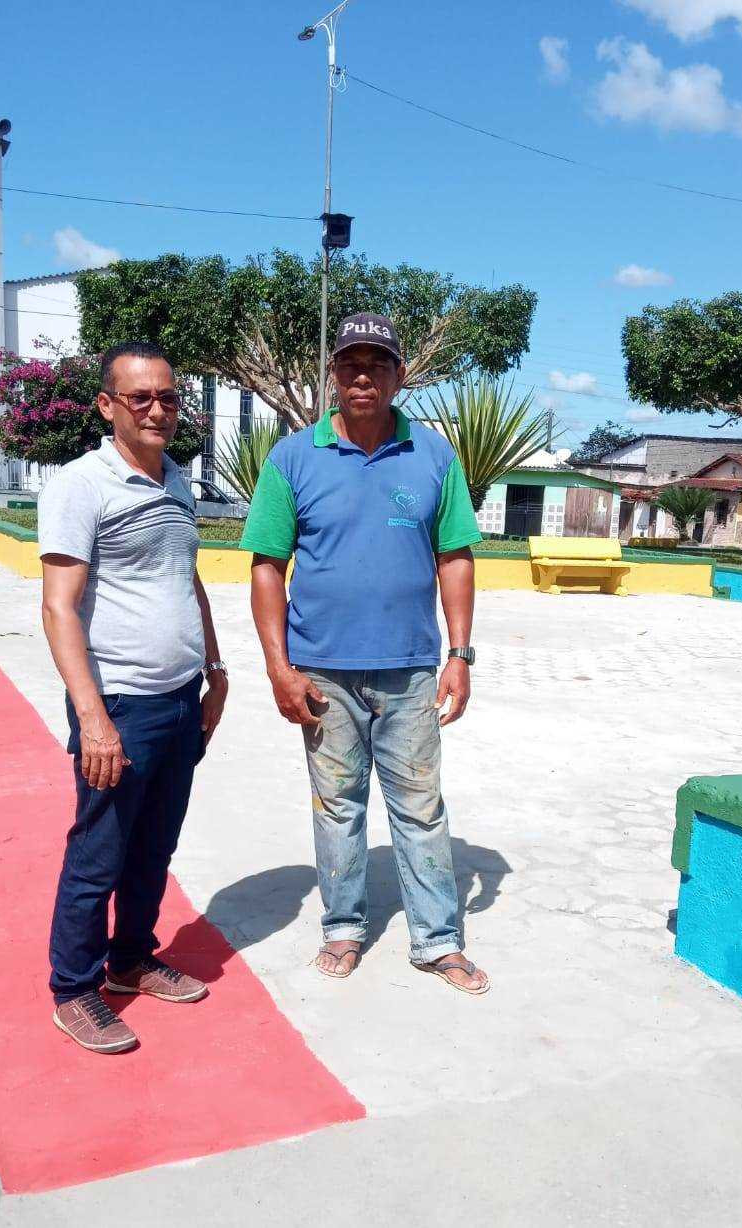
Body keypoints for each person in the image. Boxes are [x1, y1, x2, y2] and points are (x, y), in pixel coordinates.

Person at [240, 312, 489, 995]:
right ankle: (344, 928)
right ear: (332, 373)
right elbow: (267, 566)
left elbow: (455, 556)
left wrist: (460, 653)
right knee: (337, 804)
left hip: (409, 669)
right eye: (350, 362)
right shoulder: (293, 457)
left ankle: (436, 940)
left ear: (398, 375)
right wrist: (278, 666)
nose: (362, 375)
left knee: (419, 806)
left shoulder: (433, 455)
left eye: (377, 364)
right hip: (321, 669)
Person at [37, 341, 229, 1054]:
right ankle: (73, 988)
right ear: (108, 405)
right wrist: (93, 718)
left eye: (169, 397)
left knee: (155, 846)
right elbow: (60, 608)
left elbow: (188, 579)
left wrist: (215, 671)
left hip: (180, 698)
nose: (157, 409)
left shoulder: (178, 481)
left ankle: (130, 961)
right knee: (101, 852)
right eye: (140, 397)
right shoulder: (81, 485)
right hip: (118, 704)